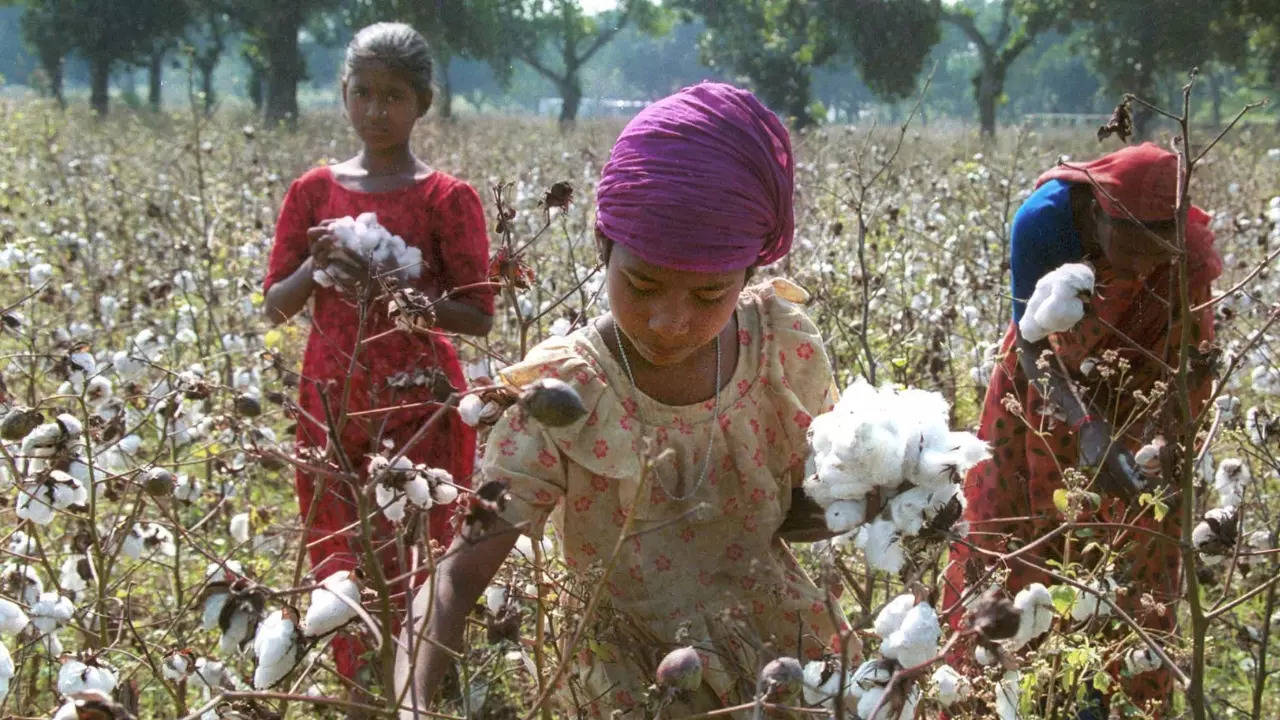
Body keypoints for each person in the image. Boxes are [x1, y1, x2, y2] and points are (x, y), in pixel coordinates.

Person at [396, 82, 844, 718]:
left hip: (780, 657)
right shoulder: (564, 392)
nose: (669, 320)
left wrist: (885, 495)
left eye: (709, 296)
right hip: (627, 681)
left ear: (749, 275)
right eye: (641, 283)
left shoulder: (780, 347)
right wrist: (411, 701)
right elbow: (459, 573)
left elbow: (810, 505)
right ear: (603, 248)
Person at [942, 143, 1222, 717]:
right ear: (1099, 216)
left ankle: (1115, 692)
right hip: (1041, 389)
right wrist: (1088, 425)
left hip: (1140, 386)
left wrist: (1167, 440)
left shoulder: (1182, 250)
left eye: (1157, 251)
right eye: (1132, 250)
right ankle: (1002, 692)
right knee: (1009, 535)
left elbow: (1193, 356)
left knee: (1135, 541)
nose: (1143, 267)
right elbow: (1029, 343)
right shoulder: (1044, 222)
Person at [261, 21, 494, 693]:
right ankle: (358, 686)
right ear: (342, 94)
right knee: (339, 555)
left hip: (420, 406)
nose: (376, 111)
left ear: (423, 102)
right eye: (362, 93)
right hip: (330, 401)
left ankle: (419, 685)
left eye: (393, 96)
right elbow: (275, 304)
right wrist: (316, 268)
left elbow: (477, 315)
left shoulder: (447, 198)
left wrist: (384, 289)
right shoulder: (313, 192)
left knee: (420, 548)